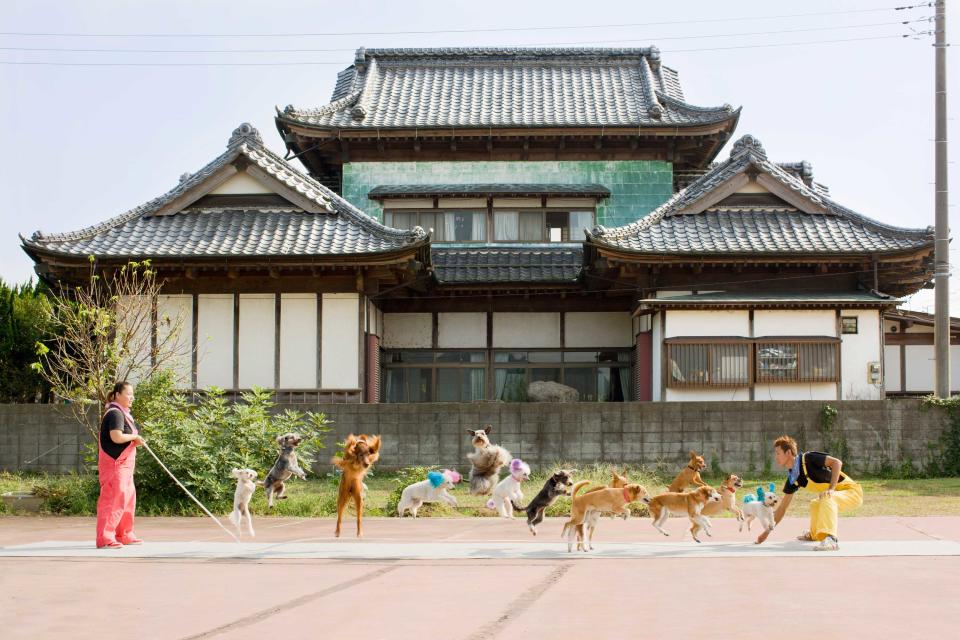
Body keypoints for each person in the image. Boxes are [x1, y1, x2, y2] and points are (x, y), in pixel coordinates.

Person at [755, 435, 863, 551]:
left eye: (778, 453)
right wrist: (767, 532)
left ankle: (831, 540)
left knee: (826, 498)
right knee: (815, 503)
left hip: (852, 492)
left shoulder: (808, 458)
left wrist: (831, 488)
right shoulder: (793, 479)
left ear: (788, 452)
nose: (776, 457)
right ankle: (815, 535)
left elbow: (837, 463)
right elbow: (782, 508)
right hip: (837, 495)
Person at [95, 381, 145, 549]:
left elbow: (122, 439)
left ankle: (124, 533)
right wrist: (134, 438)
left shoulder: (124, 414)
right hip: (115, 465)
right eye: (128, 394)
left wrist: (133, 441)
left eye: (133, 394)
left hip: (125, 466)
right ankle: (105, 537)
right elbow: (116, 437)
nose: (132, 398)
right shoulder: (115, 413)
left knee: (128, 498)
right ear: (117, 395)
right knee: (113, 500)